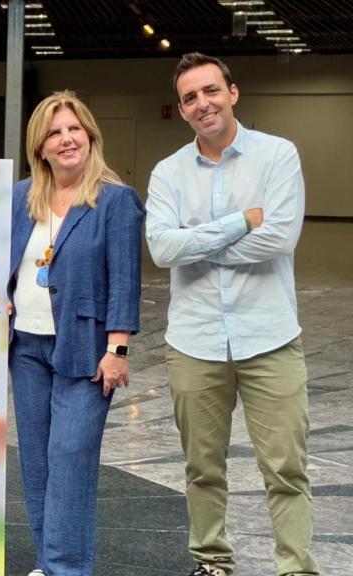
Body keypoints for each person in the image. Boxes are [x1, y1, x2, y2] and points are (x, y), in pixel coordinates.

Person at [146, 53, 318, 576]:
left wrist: (195, 243)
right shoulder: (168, 172)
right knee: (202, 468)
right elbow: (159, 249)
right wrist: (242, 221)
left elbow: (281, 237)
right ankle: (213, 561)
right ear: (181, 110)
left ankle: (296, 568)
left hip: (269, 337)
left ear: (233, 92)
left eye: (211, 91)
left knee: (286, 468)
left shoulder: (277, 156)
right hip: (195, 343)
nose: (203, 104)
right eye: (191, 98)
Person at [6, 91, 144, 576]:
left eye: (74, 128)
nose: (66, 139)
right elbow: (2, 263)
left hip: (86, 351)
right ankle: (48, 563)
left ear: (90, 135)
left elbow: (125, 281)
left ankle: (66, 568)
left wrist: (118, 350)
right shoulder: (20, 197)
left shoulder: (115, 200)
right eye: (54, 132)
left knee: (69, 462)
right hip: (25, 348)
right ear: (39, 146)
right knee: (38, 466)